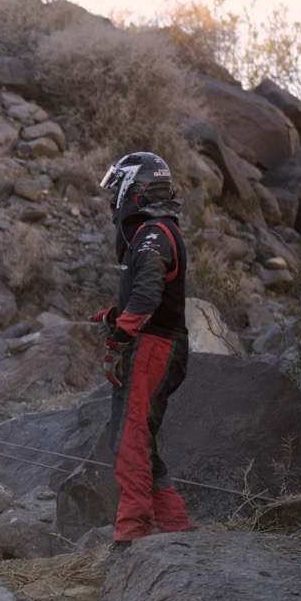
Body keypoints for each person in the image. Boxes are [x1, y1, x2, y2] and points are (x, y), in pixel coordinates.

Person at [91, 150, 194, 555]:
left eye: (119, 186)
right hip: (160, 343)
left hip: (154, 347)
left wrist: (121, 334)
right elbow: (154, 292)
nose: (114, 196)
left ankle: (132, 535)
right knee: (140, 443)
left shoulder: (152, 234)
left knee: (130, 441)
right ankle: (176, 528)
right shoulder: (159, 231)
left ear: (136, 188)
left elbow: (150, 291)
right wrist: (117, 315)